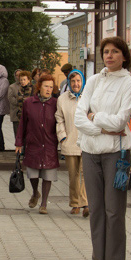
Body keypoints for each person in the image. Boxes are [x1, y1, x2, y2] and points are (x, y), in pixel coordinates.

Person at [75, 37, 131, 260]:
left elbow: (121, 121)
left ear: (124, 56)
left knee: (114, 212)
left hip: (115, 154)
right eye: (106, 52)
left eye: (114, 52)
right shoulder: (94, 81)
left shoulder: (129, 83)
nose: (109, 56)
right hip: (90, 152)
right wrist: (101, 128)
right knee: (96, 211)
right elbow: (79, 117)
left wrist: (95, 116)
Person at [15, 73, 59, 214]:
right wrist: (19, 143)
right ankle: (35, 193)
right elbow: (22, 124)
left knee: (48, 175)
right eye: (46, 86)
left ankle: (44, 203)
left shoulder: (56, 104)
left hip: (49, 144)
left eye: (51, 87)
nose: (48, 89)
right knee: (33, 174)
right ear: (39, 87)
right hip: (33, 143)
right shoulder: (29, 102)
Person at [56, 69, 88, 216]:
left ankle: (85, 203)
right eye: (73, 81)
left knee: (85, 174)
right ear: (69, 82)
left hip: (86, 142)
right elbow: (59, 119)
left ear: (83, 82)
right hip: (69, 142)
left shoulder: (89, 98)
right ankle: (75, 203)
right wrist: (62, 136)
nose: (76, 84)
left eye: (78, 81)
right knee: (73, 175)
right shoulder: (62, 99)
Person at [7, 70, 34, 142]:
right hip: (18, 114)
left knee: (28, 135)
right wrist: (20, 103)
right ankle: (19, 150)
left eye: (24, 79)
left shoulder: (32, 89)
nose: (22, 81)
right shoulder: (16, 88)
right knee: (18, 134)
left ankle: (25, 150)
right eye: (21, 79)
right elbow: (10, 98)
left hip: (29, 115)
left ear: (28, 80)